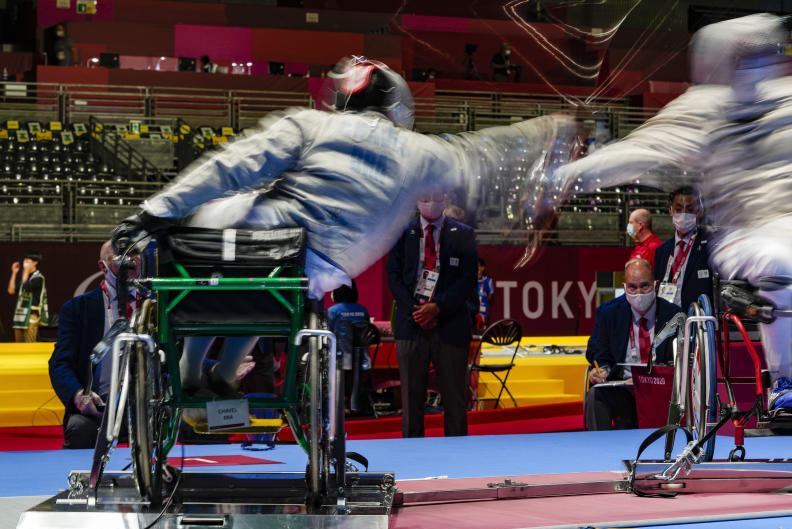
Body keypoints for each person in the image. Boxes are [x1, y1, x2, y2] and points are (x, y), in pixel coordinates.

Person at [111, 57, 576, 396]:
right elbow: (486, 151)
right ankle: (220, 373)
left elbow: (229, 166)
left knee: (240, 261)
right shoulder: (421, 151)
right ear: (397, 104)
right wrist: (547, 132)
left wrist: (153, 214)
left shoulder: (310, 124)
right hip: (303, 269)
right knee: (282, 286)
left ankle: (195, 375)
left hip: (240, 244)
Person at [553, 14, 792, 414]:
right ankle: (780, 382)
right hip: (746, 231)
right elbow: (641, 151)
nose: (752, 66)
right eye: (742, 57)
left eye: (758, 55)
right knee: (777, 262)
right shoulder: (704, 109)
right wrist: (572, 175)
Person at [387, 192, 478, 438]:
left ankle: (458, 456)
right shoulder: (401, 233)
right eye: (425, 197)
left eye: (435, 197)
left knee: (454, 400)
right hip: (411, 323)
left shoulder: (464, 234)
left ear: (445, 199)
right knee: (411, 400)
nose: (430, 202)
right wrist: (416, 310)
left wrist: (437, 307)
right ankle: (413, 457)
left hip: (450, 324)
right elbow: (393, 277)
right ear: (416, 200)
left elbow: (468, 279)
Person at [48, 241, 140, 448]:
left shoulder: (160, 304)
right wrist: (78, 394)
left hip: (153, 407)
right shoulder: (77, 309)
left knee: (198, 424)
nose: (129, 258)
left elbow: (179, 353)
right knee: (78, 428)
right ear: (102, 266)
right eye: (119, 254)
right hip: (102, 409)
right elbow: (59, 363)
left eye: (134, 252)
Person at [584, 259, 681, 430]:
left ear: (655, 284)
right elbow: (597, 351)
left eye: (645, 286)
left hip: (660, 389)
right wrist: (602, 369)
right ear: (624, 286)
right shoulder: (608, 313)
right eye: (632, 287)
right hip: (622, 387)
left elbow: (681, 359)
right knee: (595, 394)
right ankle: (597, 448)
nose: (638, 293)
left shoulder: (674, 315)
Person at [653, 187, 712, 313]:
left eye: (690, 210)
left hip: (698, 323)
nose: (684, 213)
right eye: (679, 209)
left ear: (699, 212)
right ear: (671, 211)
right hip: (669, 322)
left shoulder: (709, 247)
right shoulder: (661, 252)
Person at [327, 280, 371, 371]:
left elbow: (328, 334)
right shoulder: (363, 310)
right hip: (362, 358)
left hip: (340, 358)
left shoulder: (332, 311)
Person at [8, 252, 48, 342]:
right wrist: (14, 273)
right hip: (20, 315)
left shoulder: (39, 278)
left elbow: (27, 287)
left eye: (27, 260)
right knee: (18, 344)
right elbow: (11, 290)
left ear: (35, 263)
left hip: (31, 315)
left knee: (29, 343)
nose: (24, 262)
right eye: (24, 260)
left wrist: (25, 271)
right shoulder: (25, 277)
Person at [477, 258, 494, 330]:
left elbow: (489, 297)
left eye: (478, 266)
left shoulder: (488, 281)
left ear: (483, 268)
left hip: (483, 311)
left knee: (482, 331)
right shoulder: (469, 280)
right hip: (472, 312)